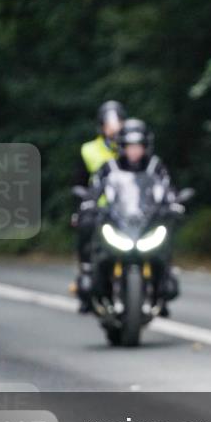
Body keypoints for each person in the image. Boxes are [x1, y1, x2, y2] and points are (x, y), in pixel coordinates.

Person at [85, 118, 179, 316]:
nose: (134, 151)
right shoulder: (109, 167)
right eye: (129, 146)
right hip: (118, 221)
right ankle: (97, 288)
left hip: (146, 223)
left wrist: (173, 204)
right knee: (99, 251)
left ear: (145, 147)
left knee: (163, 246)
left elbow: (167, 188)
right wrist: (89, 204)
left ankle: (162, 288)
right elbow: (94, 190)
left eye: (138, 147)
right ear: (121, 147)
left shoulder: (155, 166)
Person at [75, 101, 125, 312]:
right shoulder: (89, 150)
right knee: (85, 227)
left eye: (118, 123)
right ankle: (87, 279)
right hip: (100, 209)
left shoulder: (133, 148)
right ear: (102, 126)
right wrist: (82, 204)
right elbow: (78, 182)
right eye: (109, 124)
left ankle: (161, 282)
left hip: (130, 209)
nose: (114, 129)